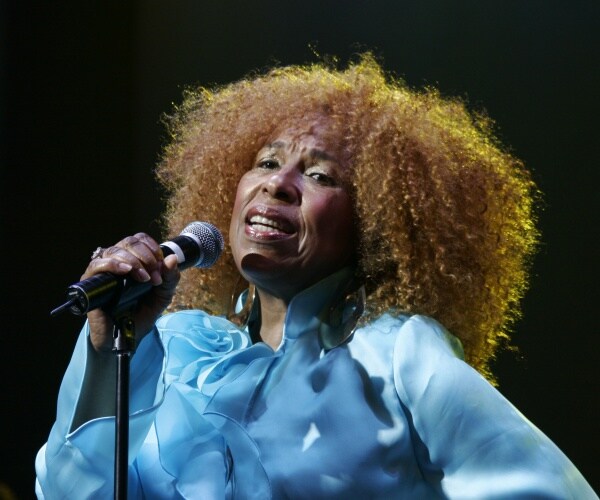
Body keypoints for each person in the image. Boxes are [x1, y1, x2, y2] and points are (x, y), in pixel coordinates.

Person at [36, 55, 596, 498]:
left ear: (374, 226)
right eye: (264, 161)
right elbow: (69, 493)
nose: (276, 184)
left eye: (320, 175)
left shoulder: (398, 355)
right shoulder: (174, 350)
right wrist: (109, 349)